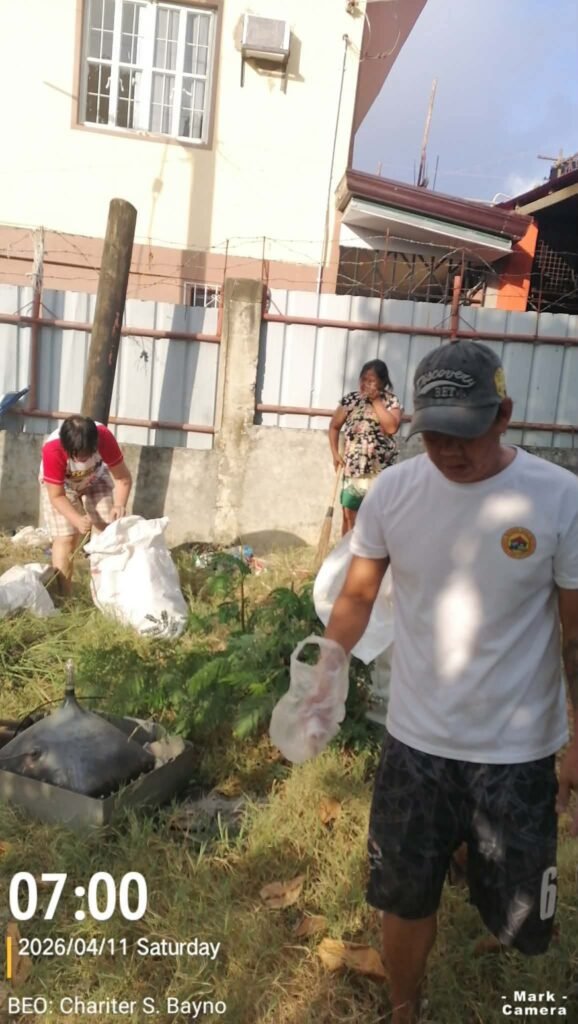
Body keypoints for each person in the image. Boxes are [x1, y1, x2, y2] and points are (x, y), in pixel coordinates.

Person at [321, 341, 578, 1023]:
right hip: (416, 744)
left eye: (464, 432)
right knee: (402, 896)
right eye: (434, 433)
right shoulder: (394, 493)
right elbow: (357, 595)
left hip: (517, 751)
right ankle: (405, 1007)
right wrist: (324, 668)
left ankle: (475, 870)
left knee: (522, 921)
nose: (447, 450)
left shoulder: (559, 498)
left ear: (504, 416)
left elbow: (575, 634)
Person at [40, 415, 132, 594]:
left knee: (108, 529)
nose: (82, 459)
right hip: (62, 487)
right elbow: (57, 496)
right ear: (66, 446)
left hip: (95, 478)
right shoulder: (53, 449)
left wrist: (119, 505)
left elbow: (123, 478)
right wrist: (76, 519)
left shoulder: (104, 437)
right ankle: (66, 596)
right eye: (76, 454)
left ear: (95, 443)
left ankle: (105, 591)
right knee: (66, 538)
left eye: (87, 453)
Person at [328, 359, 402, 534]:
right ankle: (347, 549)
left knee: (377, 516)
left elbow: (391, 428)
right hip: (354, 468)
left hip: (381, 471)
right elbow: (334, 427)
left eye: (371, 381)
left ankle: (372, 548)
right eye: (363, 379)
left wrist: (376, 401)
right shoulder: (351, 400)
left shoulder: (390, 401)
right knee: (349, 515)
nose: (365, 384)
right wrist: (335, 454)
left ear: (382, 383)